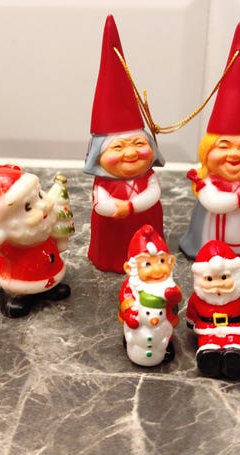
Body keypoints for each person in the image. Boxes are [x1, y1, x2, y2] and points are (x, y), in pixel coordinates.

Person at [180, 22, 240, 272]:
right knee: (213, 251)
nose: (234, 155)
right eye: (223, 146)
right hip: (213, 243)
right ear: (207, 153)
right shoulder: (207, 182)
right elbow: (212, 202)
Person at [84, 15, 165, 273]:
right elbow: (100, 204)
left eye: (138, 143)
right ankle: (110, 260)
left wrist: (131, 206)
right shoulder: (103, 183)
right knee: (113, 247)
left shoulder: (148, 177)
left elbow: (153, 194)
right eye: (118, 147)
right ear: (97, 155)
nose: (130, 152)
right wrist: (113, 208)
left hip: (147, 230)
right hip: (113, 229)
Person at [0, 165, 70, 318]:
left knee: (51, 281)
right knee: (20, 291)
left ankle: (49, 289)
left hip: (50, 268)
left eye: (40, 195)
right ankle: (18, 297)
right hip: (20, 277)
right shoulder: (12, 240)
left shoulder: (44, 228)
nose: (42, 206)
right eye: (28, 207)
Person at [186, 240, 240, 379]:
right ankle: (209, 360)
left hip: (235, 329)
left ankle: (235, 358)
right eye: (209, 279)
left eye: (224, 277)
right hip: (207, 329)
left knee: (235, 342)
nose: (218, 285)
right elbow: (191, 313)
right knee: (208, 343)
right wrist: (190, 321)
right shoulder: (197, 299)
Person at [119, 224, 182, 366]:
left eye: (161, 261)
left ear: (171, 261)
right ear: (130, 268)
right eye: (147, 264)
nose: (157, 270)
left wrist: (172, 297)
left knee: (165, 332)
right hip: (138, 323)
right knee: (133, 331)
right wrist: (130, 314)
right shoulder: (131, 286)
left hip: (163, 324)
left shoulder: (168, 285)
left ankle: (167, 345)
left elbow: (176, 300)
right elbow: (126, 300)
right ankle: (130, 343)